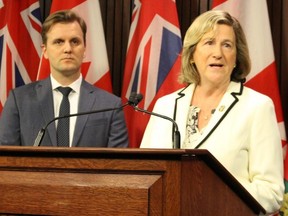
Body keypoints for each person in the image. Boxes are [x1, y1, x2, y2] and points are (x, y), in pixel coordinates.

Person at [140, 10, 284, 214]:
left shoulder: (257, 106)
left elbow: (271, 191)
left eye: (227, 45)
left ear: (236, 57)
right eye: (209, 42)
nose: (218, 53)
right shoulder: (165, 106)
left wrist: (211, 196)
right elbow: (146, 175)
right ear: (192, 55)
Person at [0, 10, 128, 148]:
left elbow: (118, 166)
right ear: (45, 51)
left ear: (84, 49)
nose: (68, 49)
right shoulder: (19, 101)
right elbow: (6, 160)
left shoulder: (110, 106)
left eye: (75, 41)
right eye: (59, 42)